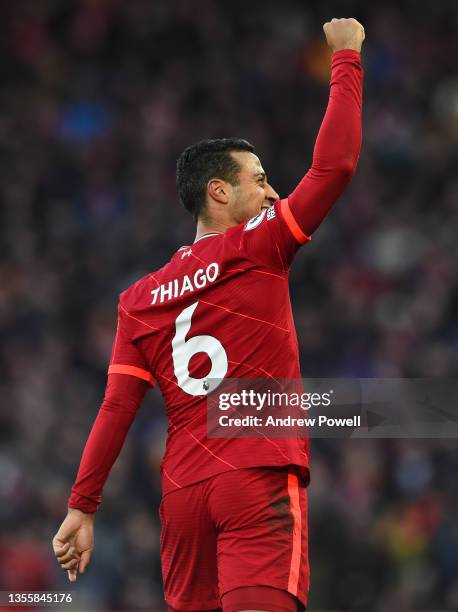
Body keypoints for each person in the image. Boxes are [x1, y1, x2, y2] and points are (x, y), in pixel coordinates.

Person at [53, 17, 365, 612]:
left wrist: (82, 506)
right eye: (262, 180)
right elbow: (336, 168)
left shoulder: (139, 298)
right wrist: (347, 59)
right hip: (255, 473)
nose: (275, 194)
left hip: (184, 496)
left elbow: (118, 409)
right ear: (219, 192)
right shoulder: (260, 244)